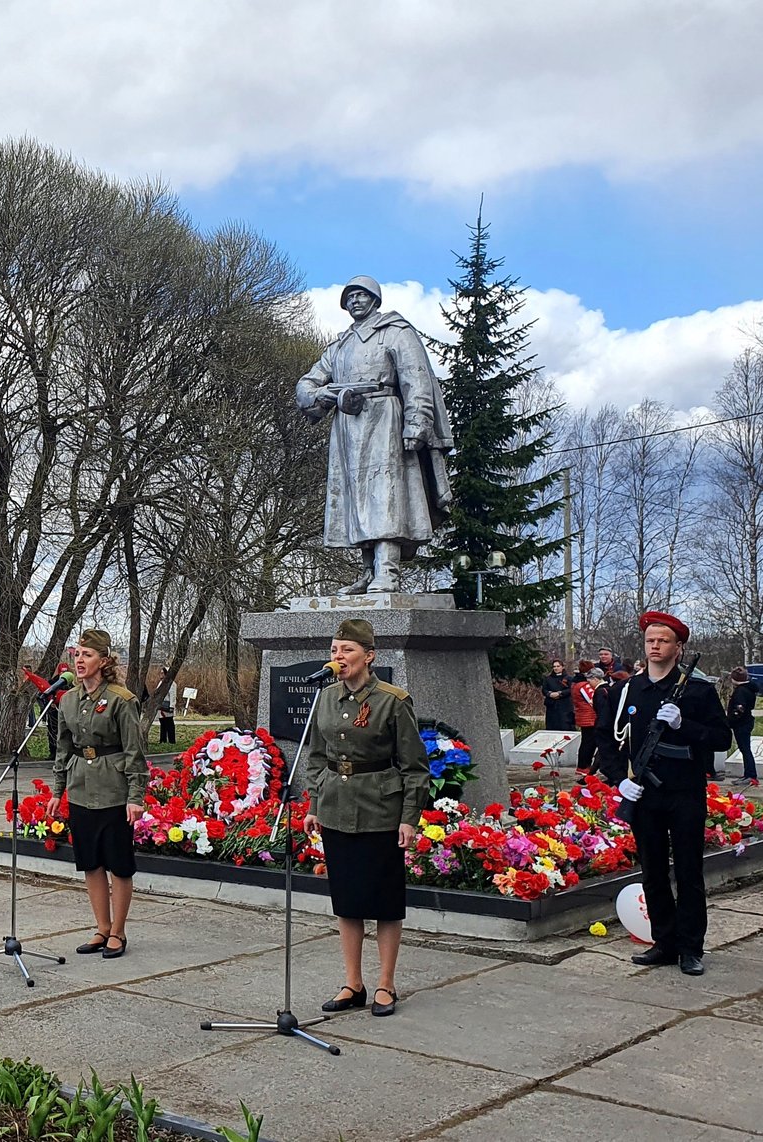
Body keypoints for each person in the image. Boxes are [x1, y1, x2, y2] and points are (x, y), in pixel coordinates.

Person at [303, 618, 429, 1018]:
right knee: (348, 900)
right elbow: (317, 757)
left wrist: (409, 817)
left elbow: (415, 766)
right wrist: (313, 805)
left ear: (369, 656)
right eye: (335, 650)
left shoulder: (392, 700)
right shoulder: (325, 698)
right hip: (337, 808)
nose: (338, 657)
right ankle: (353, 983)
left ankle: (385, 984)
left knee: (385, 901)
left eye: (347, 651)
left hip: (380, 809)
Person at [296, 276, 454, 593]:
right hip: (347, 429)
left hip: (386, 422)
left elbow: (416, 380)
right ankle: (368, 571)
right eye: (349, 296)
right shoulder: (339, 345)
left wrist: (417, 422)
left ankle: (388, 571)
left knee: (386, 495)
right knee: (355, 498)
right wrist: (325, 395)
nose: (355, 301)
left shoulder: (396, 332)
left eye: (361, 295)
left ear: (374, 299)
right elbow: (306, 384)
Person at [599, 611, 730, 976]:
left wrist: (683, 724)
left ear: (679, 647)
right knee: (652, 872)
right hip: (644, 795)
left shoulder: (698, 691)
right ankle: (664, 942)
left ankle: (691, 948)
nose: (655, 646)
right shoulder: (628, 690)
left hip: (685, 793)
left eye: (663, 641)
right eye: (650, 641)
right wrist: (616, 779)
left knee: (689, 871)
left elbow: (722, 739)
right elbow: (607, 740)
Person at [52, 630, 146, 961]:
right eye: (76, 654)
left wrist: (136, 796)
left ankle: (118, 931)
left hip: (114, 789)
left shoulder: (121, 699)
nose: (79, 660)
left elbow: (135, 752)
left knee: (118, 865)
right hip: (81, 787)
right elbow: (63, 748)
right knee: (90, 862)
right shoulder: (67, 700)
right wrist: (57, 790)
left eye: (87, 655)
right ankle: (101, 927)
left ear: (103, 661)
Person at [724, 666, 760, 786]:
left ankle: (751, 775)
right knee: (745, 749)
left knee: (745, 749)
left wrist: (730, 721)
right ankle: (748, 774)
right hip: (747, 721)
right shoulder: (750, 689)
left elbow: (739, 709)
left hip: (741, 724)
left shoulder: (740, 691)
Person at [572, 663, 600, 773]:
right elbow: (592, 699)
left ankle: (583, 767)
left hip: (585, 717)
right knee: (588, 744)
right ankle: (583, 767)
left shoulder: (577, 683)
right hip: (589, 718)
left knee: (587, 743)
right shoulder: (584, 685)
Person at [541, 660, 574, 731]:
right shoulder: (548, 679)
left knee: (565, 726)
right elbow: (544, 690)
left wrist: (560, 693)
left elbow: (571, 689)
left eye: (558, 666)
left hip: (565, 706)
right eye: (554, 666)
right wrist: (549, 694)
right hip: (552, 706)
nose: (556, 668)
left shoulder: (569, 678)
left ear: (562, 667)